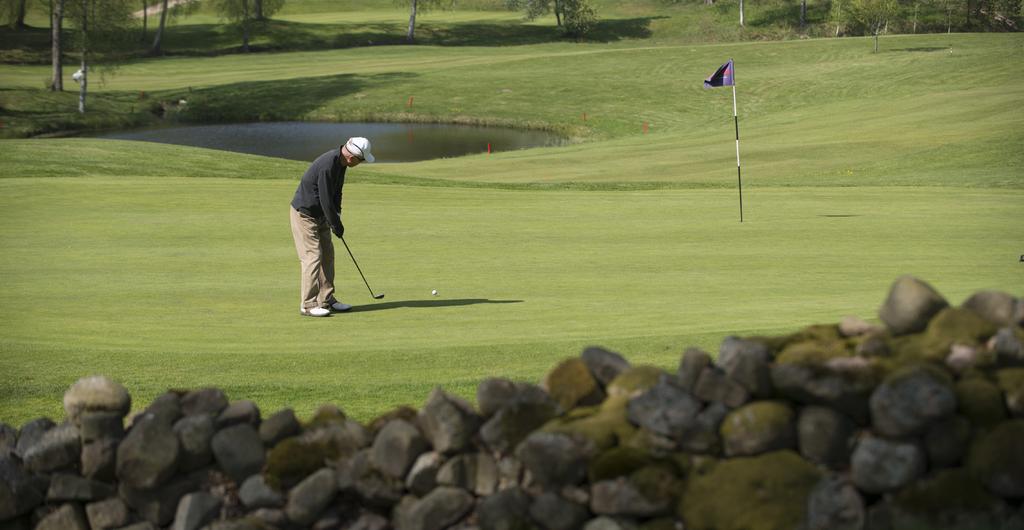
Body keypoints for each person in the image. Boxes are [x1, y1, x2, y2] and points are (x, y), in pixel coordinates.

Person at [289, 137, 375, 317]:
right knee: (312, 257)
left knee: (327, 254)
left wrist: (337, 217)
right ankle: (308, 304)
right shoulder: (329, 164)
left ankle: (326, 299)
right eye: (361, 160)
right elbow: (326, 198)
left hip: (320, 214)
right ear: (352, 158)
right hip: (304, 214)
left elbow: (337, 193)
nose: (361, 163)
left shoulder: (341, 164)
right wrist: (335, 223)